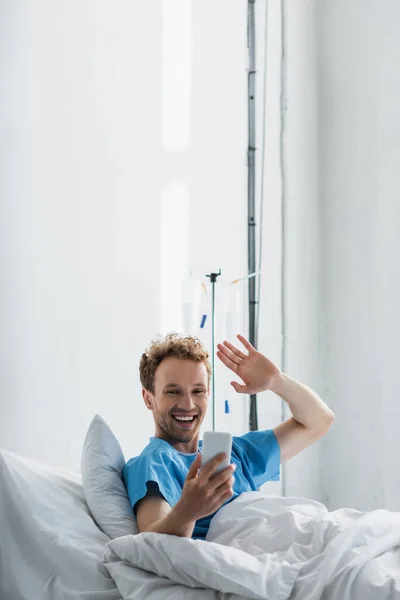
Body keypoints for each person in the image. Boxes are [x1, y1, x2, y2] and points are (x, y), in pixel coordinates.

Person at [122, 333, 334, 539]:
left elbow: (319, 422)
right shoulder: (151, 464)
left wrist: (278, 382)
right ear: (148, 399)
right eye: (173, 392)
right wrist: (189, 510)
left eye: (198, 391)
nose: (188, 404)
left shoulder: (234, 455)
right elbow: (153, 543)